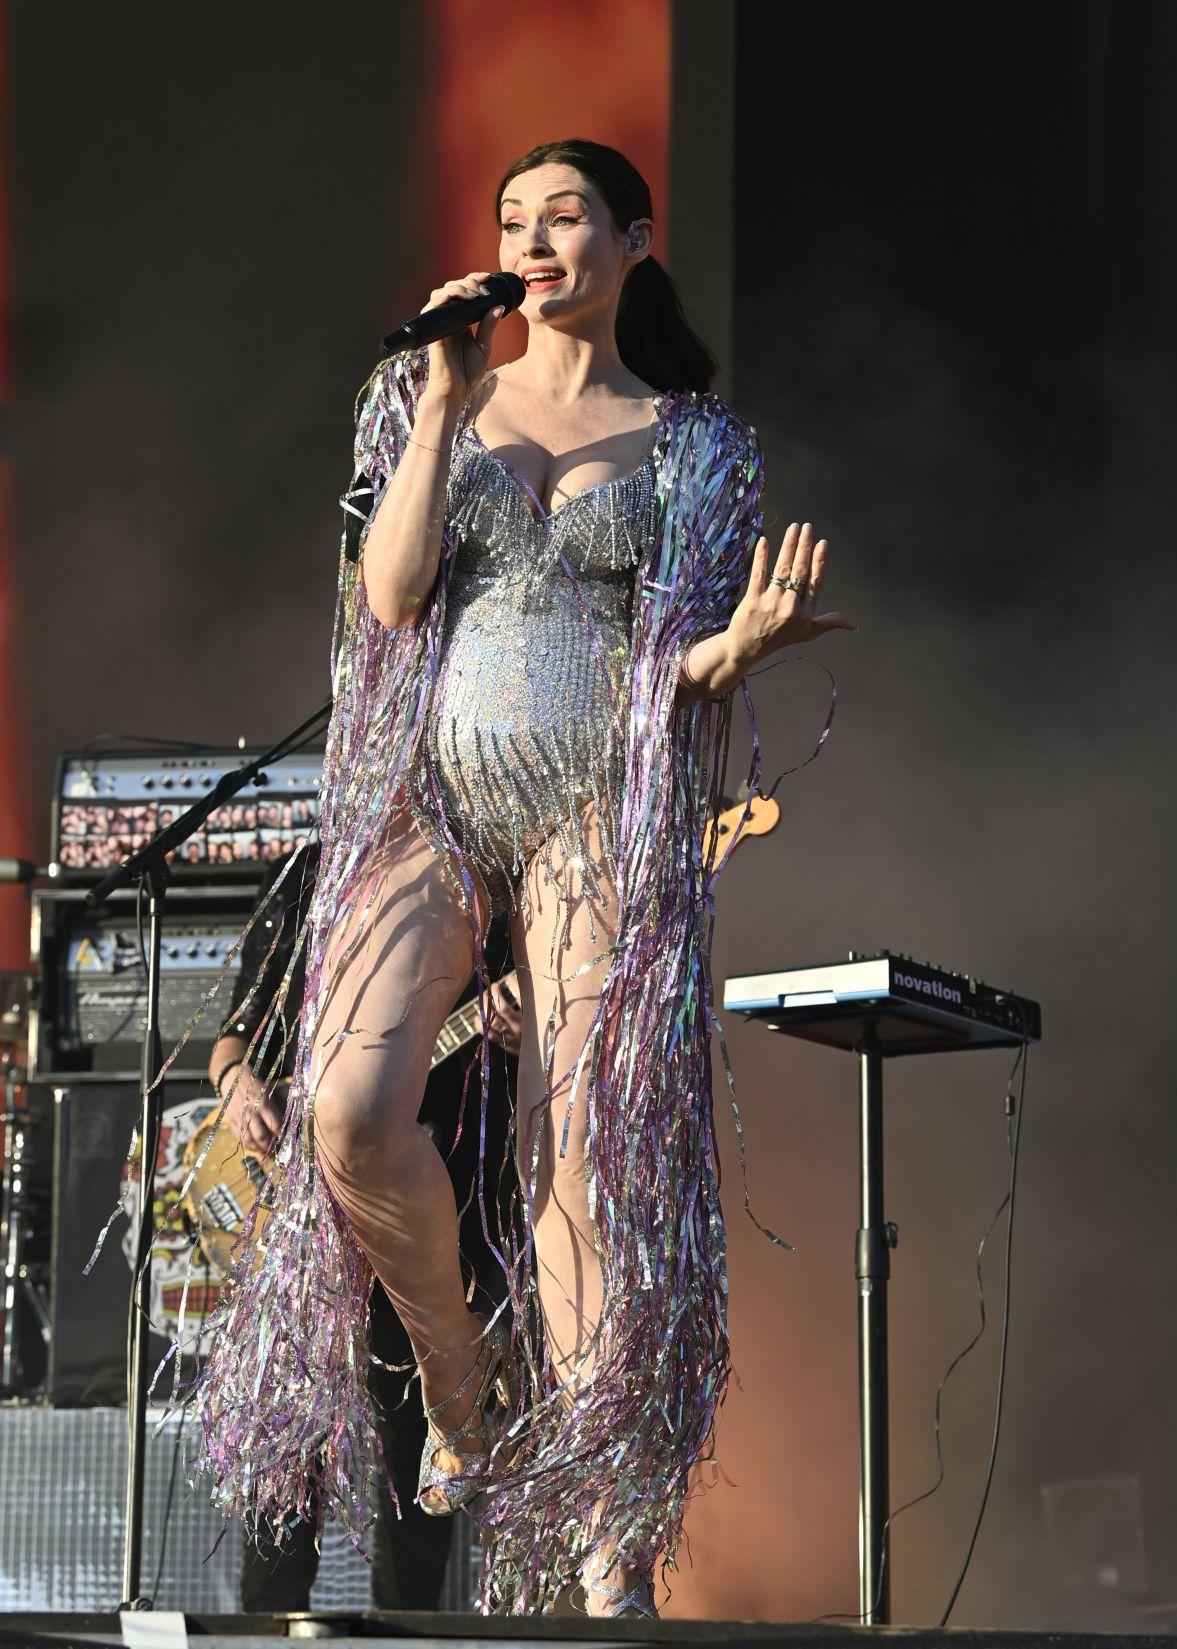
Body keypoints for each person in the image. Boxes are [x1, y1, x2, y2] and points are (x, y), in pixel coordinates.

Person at [165, 136, 855, 1619]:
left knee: (582, 1175)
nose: (536, 240)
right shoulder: (437, 398)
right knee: (350, 1109)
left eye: (566, 216)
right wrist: (434, 407)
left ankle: (611, 1561)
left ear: (633, 240)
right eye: (513, 221)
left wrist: (738, 651)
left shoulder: (690, 440)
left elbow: (683, 662)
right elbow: (398, 591)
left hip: (595, 803)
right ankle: (465, 1396)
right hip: (435, 798)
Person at [206, 840, 523, 1611]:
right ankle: (268, 1619)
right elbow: (231, 1035)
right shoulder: (312, 870)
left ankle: (409, 1621)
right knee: (287, 1421)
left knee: (418, 1412)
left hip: (419, 1194)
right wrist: (236, 1082)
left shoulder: (481, 880)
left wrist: (524, 1023)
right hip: (296, 1200)